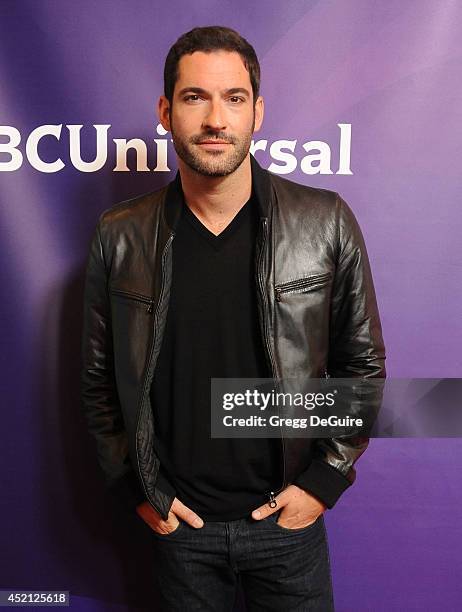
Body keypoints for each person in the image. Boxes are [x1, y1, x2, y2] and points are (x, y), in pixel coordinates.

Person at [81, 25, 386, 611]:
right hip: (181, 533)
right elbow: (99, 381)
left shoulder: (325, 223)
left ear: (258, 112)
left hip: (287, 526)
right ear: (166, 112)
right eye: (196, 97)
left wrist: (322, 483)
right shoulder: (119, 235)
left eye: (234, 98)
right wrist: (136, 488)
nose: (216, 119)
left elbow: (362, 364)